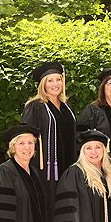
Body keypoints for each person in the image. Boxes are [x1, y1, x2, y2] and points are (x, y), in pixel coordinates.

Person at [21, 61, 76, 205]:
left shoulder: (66, 106)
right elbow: (26, 137)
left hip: (68, 165)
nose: (55, 84)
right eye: (50, 80)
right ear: (43, 84)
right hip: (45, 169)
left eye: (58, 79)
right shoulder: (35, 106)